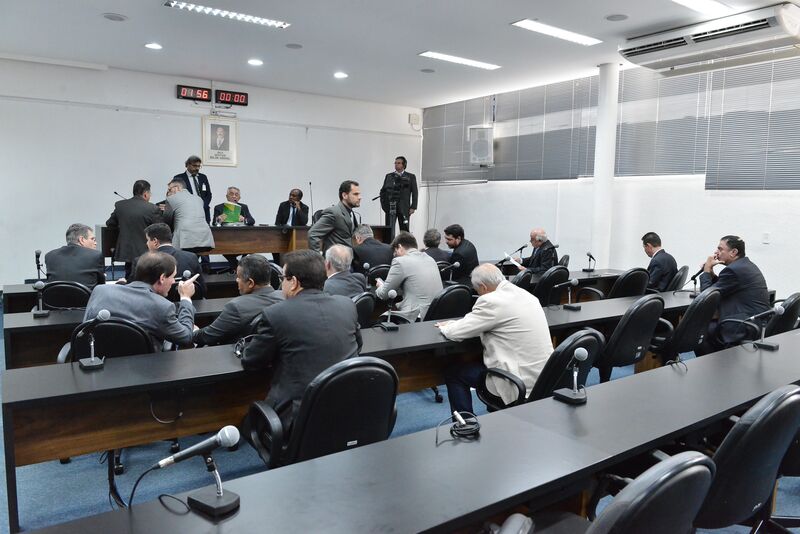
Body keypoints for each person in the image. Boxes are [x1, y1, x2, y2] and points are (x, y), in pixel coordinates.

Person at [241, 249, 362, 430]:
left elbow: (252, 360)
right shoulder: (347, 304)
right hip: (347, 406)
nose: (281, 284)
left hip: (298, 418)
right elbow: (359, 345)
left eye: (283, 278)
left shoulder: (276, 314)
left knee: (247, 425)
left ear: (294, 282)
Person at [437, 264, 553, 414]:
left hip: (517, 384)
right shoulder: (527, 295)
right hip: (544, 380)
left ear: (483, 287)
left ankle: (466, 424)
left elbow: (455, 333)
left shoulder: (491, 301)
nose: (479, 294)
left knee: (454, 372)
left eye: (477, 291)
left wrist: (446, 326)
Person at [83, 252, 197, 352]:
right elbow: (185, 337)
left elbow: (85, 329)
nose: (173, 281)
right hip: (146, 367)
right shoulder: (162, 306)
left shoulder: (99, 291)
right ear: (162, 278)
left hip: (96, 362)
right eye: (173, 277)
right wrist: (185, 298)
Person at [697, 235, 770, 354]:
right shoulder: (744, 265)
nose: (716, 252)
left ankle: (716, 363)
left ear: (733, 252)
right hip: (756, 322)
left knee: (698, 331)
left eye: (720, 249)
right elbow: (724, 286)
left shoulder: (733, 270)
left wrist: (706, 271)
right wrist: (711, 274)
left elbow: (706, 298)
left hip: (743, 325)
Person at [193, 255, 283, 346]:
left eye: (239, 277)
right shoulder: (285, 298)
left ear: (250, 283)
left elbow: (208, 336)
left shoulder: (236, 307)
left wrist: (195, 332)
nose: (236, 280)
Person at [375, 232, 443, 322]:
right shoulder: (430, 259)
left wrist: (380, 286)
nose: (395, 255)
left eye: (395, 252)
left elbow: (384, 294)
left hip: (416, 316)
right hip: (437, 313)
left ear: (399, 247)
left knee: (378, 320)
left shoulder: (400, 261)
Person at [106, 180, 162, 279]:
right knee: (146, 278)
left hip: (127, 251)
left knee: (129, 277)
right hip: (146, 252)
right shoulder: (152, 208)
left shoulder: (120, 205)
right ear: (146, 194)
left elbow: (110, 223)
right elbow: (160, 229)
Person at [138, 223, 204, 294]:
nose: (147, 243)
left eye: (147, 240)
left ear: (155, 241)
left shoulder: (142, 261)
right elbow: (202, 289)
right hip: (187, 298)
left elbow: (136, 292)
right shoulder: (191, 257)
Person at [45, 223, 105, 289]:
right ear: (82, 240)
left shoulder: (49, 256)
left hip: (56, 295)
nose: (95, 243)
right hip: (86, 296)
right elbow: (101, 286)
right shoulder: (95, 255)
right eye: (92, 239)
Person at [163, 179, 215, 255]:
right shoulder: (199, 199)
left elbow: (167, 220)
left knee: (178, 258)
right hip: (204, 236)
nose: (168, 192)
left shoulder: (171, 198)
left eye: (169, 189)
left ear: (177, 187)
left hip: (185, 237)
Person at [308, 180, 361, 252]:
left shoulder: (351, 212)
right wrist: (318, 257)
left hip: (348, 257)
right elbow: (313, 234)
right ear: (344, 195)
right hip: (335, 258)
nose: (360, 197)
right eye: (355, 194)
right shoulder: (333, 212)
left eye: (359, 194)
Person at [213, 186, 255, 272]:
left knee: (250, 246)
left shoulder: (243, 207)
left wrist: (244, 219)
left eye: (236, 194)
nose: (234, 196)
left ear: (239, 197)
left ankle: (236, 268)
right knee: (223, 249)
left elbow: (252, 221)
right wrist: (219, 220)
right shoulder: (219, 207)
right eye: (231, 194)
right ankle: (238, 267)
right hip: (226, 238)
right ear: (227, 196)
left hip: (241, 237)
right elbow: (214, 223)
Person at [380, 156, 418, 232]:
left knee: (404, 230)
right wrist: (384, 206)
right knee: (389, 230)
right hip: (391, 207)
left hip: (404, 208)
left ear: (404, 165)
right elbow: (383, 191)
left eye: (398, 163)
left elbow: (415, 192)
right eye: (395, 163)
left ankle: (404, 240)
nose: (396, 164)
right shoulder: (389, 176)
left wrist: (413, 207)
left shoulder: (411, 177)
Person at [173, 155, 212, 224]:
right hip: (187, 213)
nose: (197, 168)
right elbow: (177, 196)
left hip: (204, 212)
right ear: (187, 165)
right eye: (194, 166)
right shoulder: (179, 178)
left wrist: (203, 205)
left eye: (199, 166)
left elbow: (208, 194)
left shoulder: (203, 177)